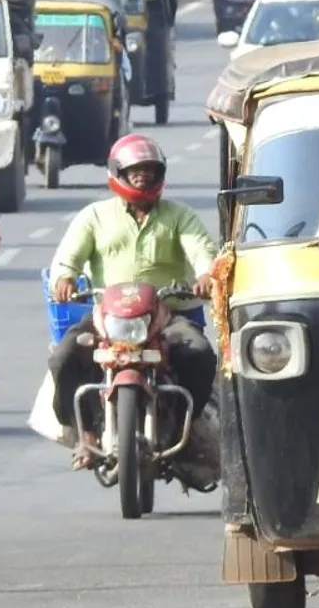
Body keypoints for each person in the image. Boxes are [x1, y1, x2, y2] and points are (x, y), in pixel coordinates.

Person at [47, 134, 219, 469]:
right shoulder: (94, 216)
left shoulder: (179, 216)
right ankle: (85, 434)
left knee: (199, 354)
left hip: (167, 316)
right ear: (118, 173)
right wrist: (64, 278)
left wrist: (205, 276)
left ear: (160, 174)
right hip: (107, 318)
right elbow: (67, 257)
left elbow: (202, 250)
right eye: (135, 170)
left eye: (149, 170)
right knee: (65, 357)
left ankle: (189, 427)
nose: (143, 176)